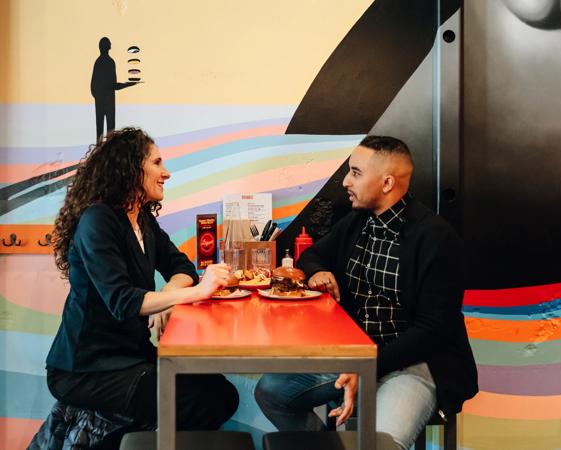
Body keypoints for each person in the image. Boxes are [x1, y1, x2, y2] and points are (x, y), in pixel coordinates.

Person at [255, 136, 478, 450]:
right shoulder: (358, 222)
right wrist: (319, 272)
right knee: (272, 391)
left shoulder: (437, 239)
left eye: (356, 173)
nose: (346, 181)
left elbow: (432, 332)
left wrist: (369, 365)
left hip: (413, 364)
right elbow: (312, 255)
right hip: (357, 355)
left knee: (377, 445)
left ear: (386, 182)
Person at [45, 127, 239, 433]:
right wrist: (196, 292)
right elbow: (123, 302)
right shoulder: (98, 220)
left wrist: (167, 298)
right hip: (86, 369)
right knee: (209, 400)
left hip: (129, 355)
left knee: (221, 392)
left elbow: (182, 267)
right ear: (131, 167)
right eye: (157, 163)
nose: (167, 173)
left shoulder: (142, 220)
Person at [91, 37, 138, 141]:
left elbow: (93, 85)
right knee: (110, 132)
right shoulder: (110, 62)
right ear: (108, 47)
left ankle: (99, 153)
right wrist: (128, 84)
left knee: (100, 131)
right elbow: (113, 85)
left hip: (101, 101)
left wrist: (98, 97)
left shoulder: (98, 62)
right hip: (108, 102)